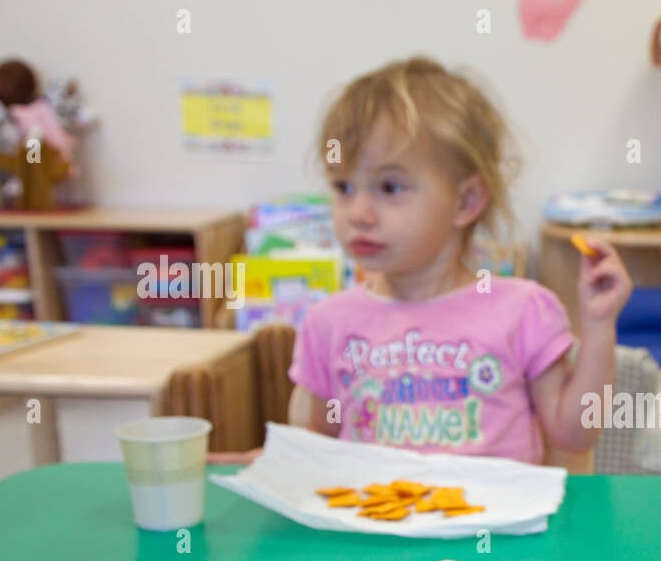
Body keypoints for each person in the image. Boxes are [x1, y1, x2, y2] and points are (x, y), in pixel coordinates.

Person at [214, 56, 630, 464]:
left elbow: (575, 435)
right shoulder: (328, 323)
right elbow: (315, 452)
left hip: (494, 531)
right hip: (373, 529)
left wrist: (597, 327)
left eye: (390, 188)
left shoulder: (523, 310)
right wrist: (267, 461)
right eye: (343, 187)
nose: (358, 212)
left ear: (466, 201)